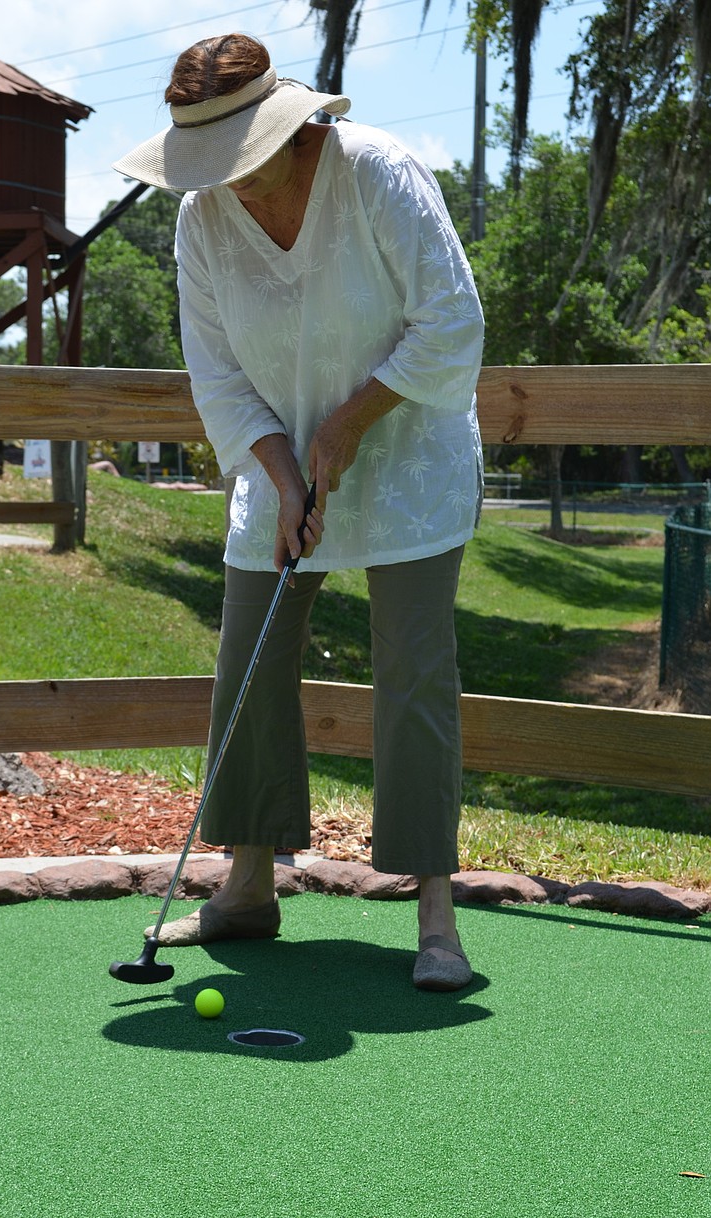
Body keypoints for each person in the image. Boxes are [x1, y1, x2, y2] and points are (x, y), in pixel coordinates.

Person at [114, 33, 485, 990]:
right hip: (282, 463)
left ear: (289, 129)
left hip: (406, 447)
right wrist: (283, 476)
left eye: (238, 155)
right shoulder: (203, 221)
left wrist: (353, 424)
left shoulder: (378, 176)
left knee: (411, 669)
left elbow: (453, 321)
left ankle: (436, 915)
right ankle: (247, 885)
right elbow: (221, 375)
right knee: (248, 652)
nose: (224, 181)